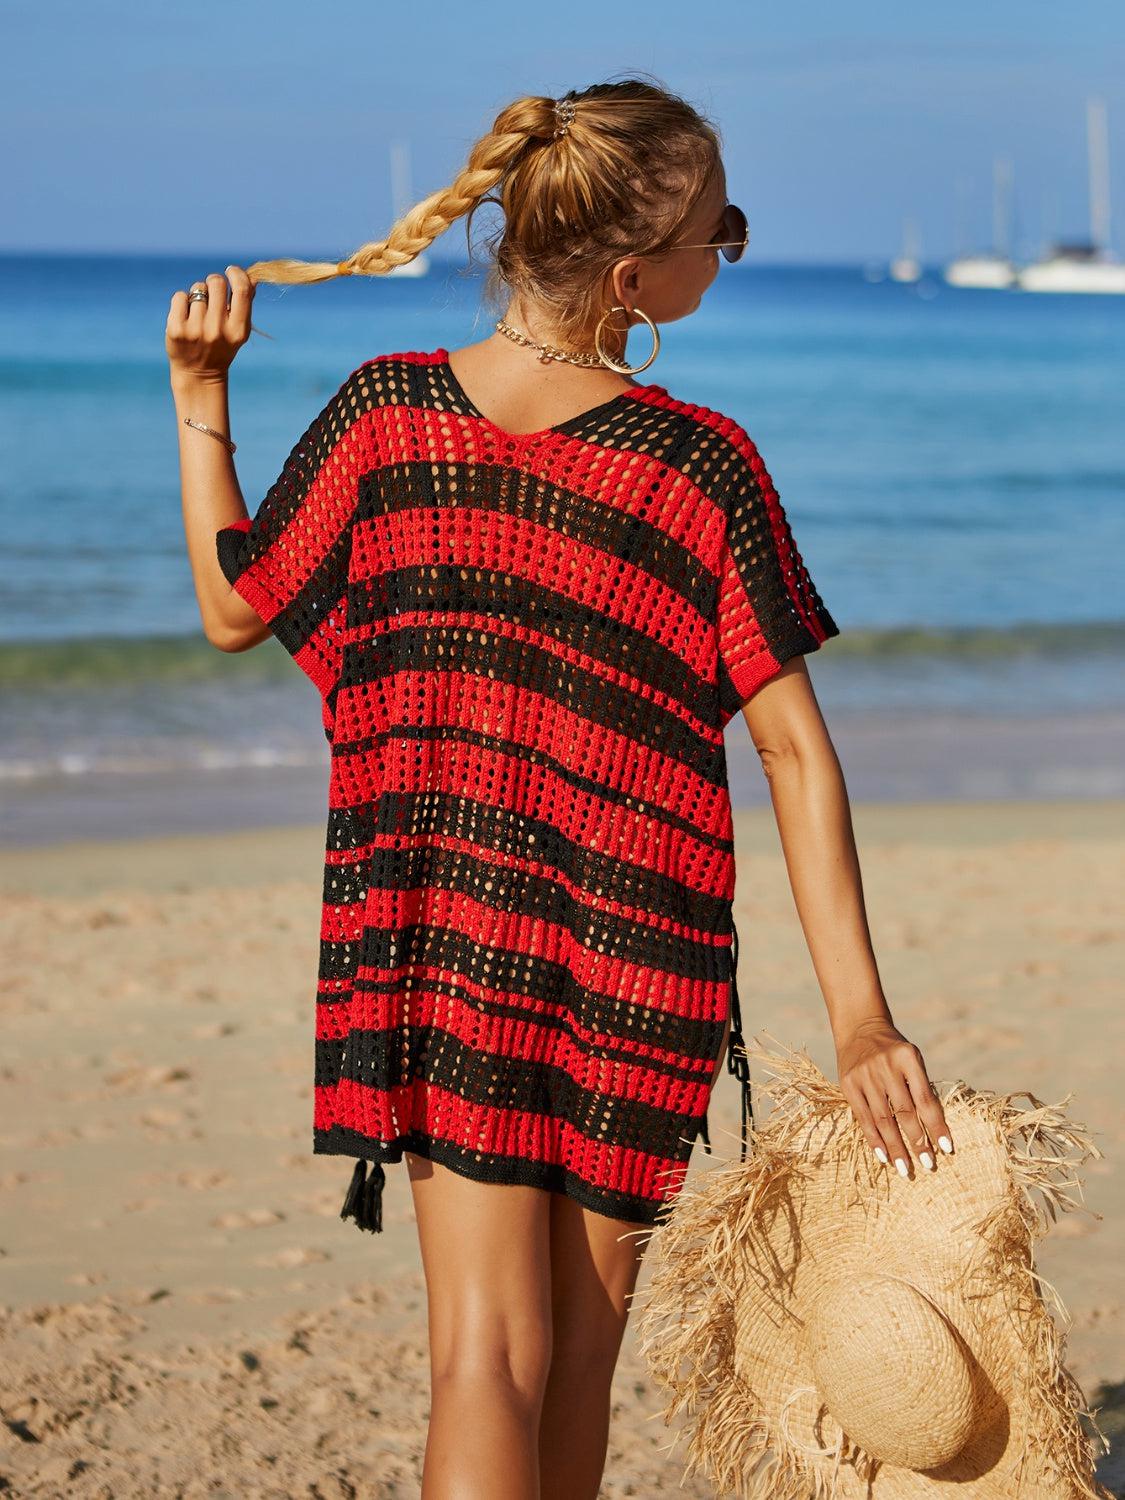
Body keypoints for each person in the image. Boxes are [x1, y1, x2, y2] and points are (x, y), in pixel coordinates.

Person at [166, 75, 953, 1500]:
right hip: (634, 958)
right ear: (638, 275)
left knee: (481, 1358)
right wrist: (860, 1022)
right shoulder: (696, 465)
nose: (730, 247)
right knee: (574, 1365)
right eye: (726, 227)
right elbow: (788, 750)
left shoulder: (385, 414)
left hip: (435, 937)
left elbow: (238, 606)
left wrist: (198, 397)